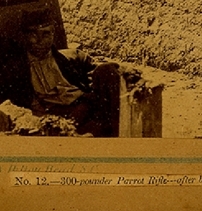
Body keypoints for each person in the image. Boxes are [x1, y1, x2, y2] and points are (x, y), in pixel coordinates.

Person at [11, 8, 120, 137]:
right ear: (25, 36)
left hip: (83, 107)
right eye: (34, 35)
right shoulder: (17, 69)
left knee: (107, 71)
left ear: (53, 34)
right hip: (52, 117)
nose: (40, 40)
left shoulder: (70, 57)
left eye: (45, 34)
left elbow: (99, 70)